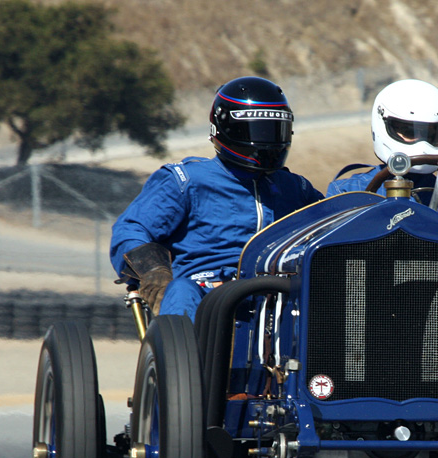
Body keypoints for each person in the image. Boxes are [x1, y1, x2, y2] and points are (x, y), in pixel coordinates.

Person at [110, 76, 324, 320]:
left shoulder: (296, 188)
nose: (267, 141)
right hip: (205, 296)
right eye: (259, 130)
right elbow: (130, 229)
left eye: (274, 131)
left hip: (278, 296)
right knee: (180, 291)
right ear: (227, 129)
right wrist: (154, 272)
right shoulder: (184, 180)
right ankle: (183, 352)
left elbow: (337, 226)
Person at [326, 79, 438, 249]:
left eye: (431, 133)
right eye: (408, 130)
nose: (422, 143)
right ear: (383, 124)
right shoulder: (347, 191)